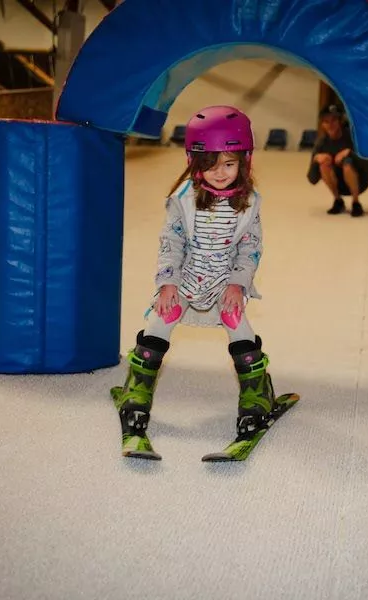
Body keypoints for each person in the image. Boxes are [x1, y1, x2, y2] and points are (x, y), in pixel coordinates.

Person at [112, 105, 282, 459]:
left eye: (229, 164)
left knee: (238, 326)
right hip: (186, 277)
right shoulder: (183, 200)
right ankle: (137, 391)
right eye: (210, 164)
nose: (220, 173)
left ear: (245, 162)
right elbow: (171, 242)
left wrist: (238, 283)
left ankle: (256, 392)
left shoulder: (248, 203)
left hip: (224, 280)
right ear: (194, 161)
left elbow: (250, 247)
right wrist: (168, 283)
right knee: (162, 318)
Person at [307, 103, 368, 217]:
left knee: (347, 162)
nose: (330, 125)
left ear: (340, 121)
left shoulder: (354, 137)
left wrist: (350, 153)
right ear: (322, 125)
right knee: (324, 165)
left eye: (334, 120)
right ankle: (338, 200)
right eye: (326, 122)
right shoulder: (321, 143)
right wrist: (316, 159)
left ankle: (356, 202)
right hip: (339, 184)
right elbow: (312, 179)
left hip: (361, 181)